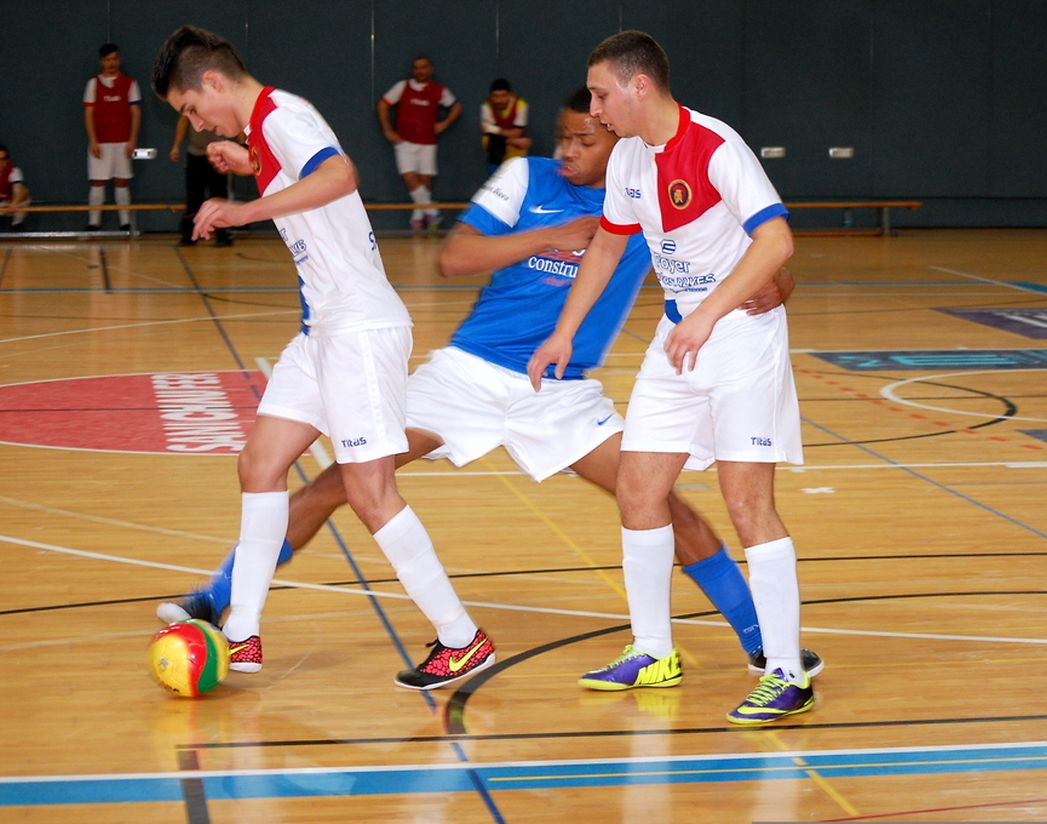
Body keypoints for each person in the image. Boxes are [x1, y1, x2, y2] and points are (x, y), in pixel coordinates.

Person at [156, 87, 823, 688]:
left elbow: (754, 252)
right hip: (464, 376)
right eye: (562, 137)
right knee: (344, 480)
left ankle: (764, 643)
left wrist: (778, 286)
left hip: (560, 393)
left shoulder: (644, 188)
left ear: (619, 138)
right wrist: (549, 234)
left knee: (658, 503)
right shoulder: (525, 177)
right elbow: (454, 258)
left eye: (584, 140)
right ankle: (218, 598)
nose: (568, 151)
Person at [150, 25, 495, 689]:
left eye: (192, 109)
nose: (195, 123)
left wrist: (244, 210)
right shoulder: (266, 130)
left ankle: (461, 639)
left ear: (213, 82)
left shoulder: (281, 113)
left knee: (369, 491)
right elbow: (302, 176)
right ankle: (243, 631)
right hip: (322, 332)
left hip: (359, 329)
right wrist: (248, 163)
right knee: (260, 464)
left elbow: (339, 175)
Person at [527, 32, 809, 726]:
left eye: (601, 95)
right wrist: (564, 331)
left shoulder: (715, 145)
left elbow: (777, 241)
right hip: (679, 334)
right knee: (638, 489)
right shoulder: (628, 156)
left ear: (639, 86)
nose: (594, 110)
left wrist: (709, 314)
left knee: (746, 504)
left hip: (738, 338)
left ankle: (786, 671)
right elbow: (608, 246)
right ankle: (654, 650)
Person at [377, 56, 461, 231]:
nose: (420, 71)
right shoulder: (402, 87)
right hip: (404, 142)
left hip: (428, 143)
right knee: (409, 178)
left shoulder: (438, 90)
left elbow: (456, 106)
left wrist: (445, 123)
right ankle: (433, 212)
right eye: (416, 68)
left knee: (425, 181)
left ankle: (418, 217)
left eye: (423, 67)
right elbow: (383, 105)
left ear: (430, 69)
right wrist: (388, 130)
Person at [83, 43, 141, 232]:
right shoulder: (93, 84)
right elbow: (88, 114)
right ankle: (94, 223)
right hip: (100, 142)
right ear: (101, 62)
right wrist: (93, 140)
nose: (111, 63)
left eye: (115, 59)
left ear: (119, 60)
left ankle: (125, 223)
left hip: (123, 141)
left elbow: (136, 113)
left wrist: (132, 140)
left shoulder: (130, 83)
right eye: (108, 59)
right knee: (97, 182)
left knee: (121, 181)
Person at [169, 114, 232, 246]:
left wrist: (242, 145)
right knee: (194, 196)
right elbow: (183, 121)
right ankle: (190, 235)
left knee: (219, 195)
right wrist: (176, 146)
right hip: (196, 154)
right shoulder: (191, 107)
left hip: (218, 154)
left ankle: (223, 233)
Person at [480, 78, 531, 175]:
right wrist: (514, 141)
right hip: (499, 149)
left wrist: (494, 130)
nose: (499, 100)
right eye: (495, 96)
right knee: (494, 145)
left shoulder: (520, 105)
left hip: (516, 151)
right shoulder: (486, 105)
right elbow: (492, 136)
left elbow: (517, 133)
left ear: (510, 95)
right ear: (491, 96)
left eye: (503, 96)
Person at [0, 145, 31, 231]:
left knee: (24, 192)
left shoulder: (13, 171)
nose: (0, 162)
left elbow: (18, 188)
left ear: (7, 161)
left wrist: (14, 203)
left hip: (8, 204)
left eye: (2, 159)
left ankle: (17, 224)